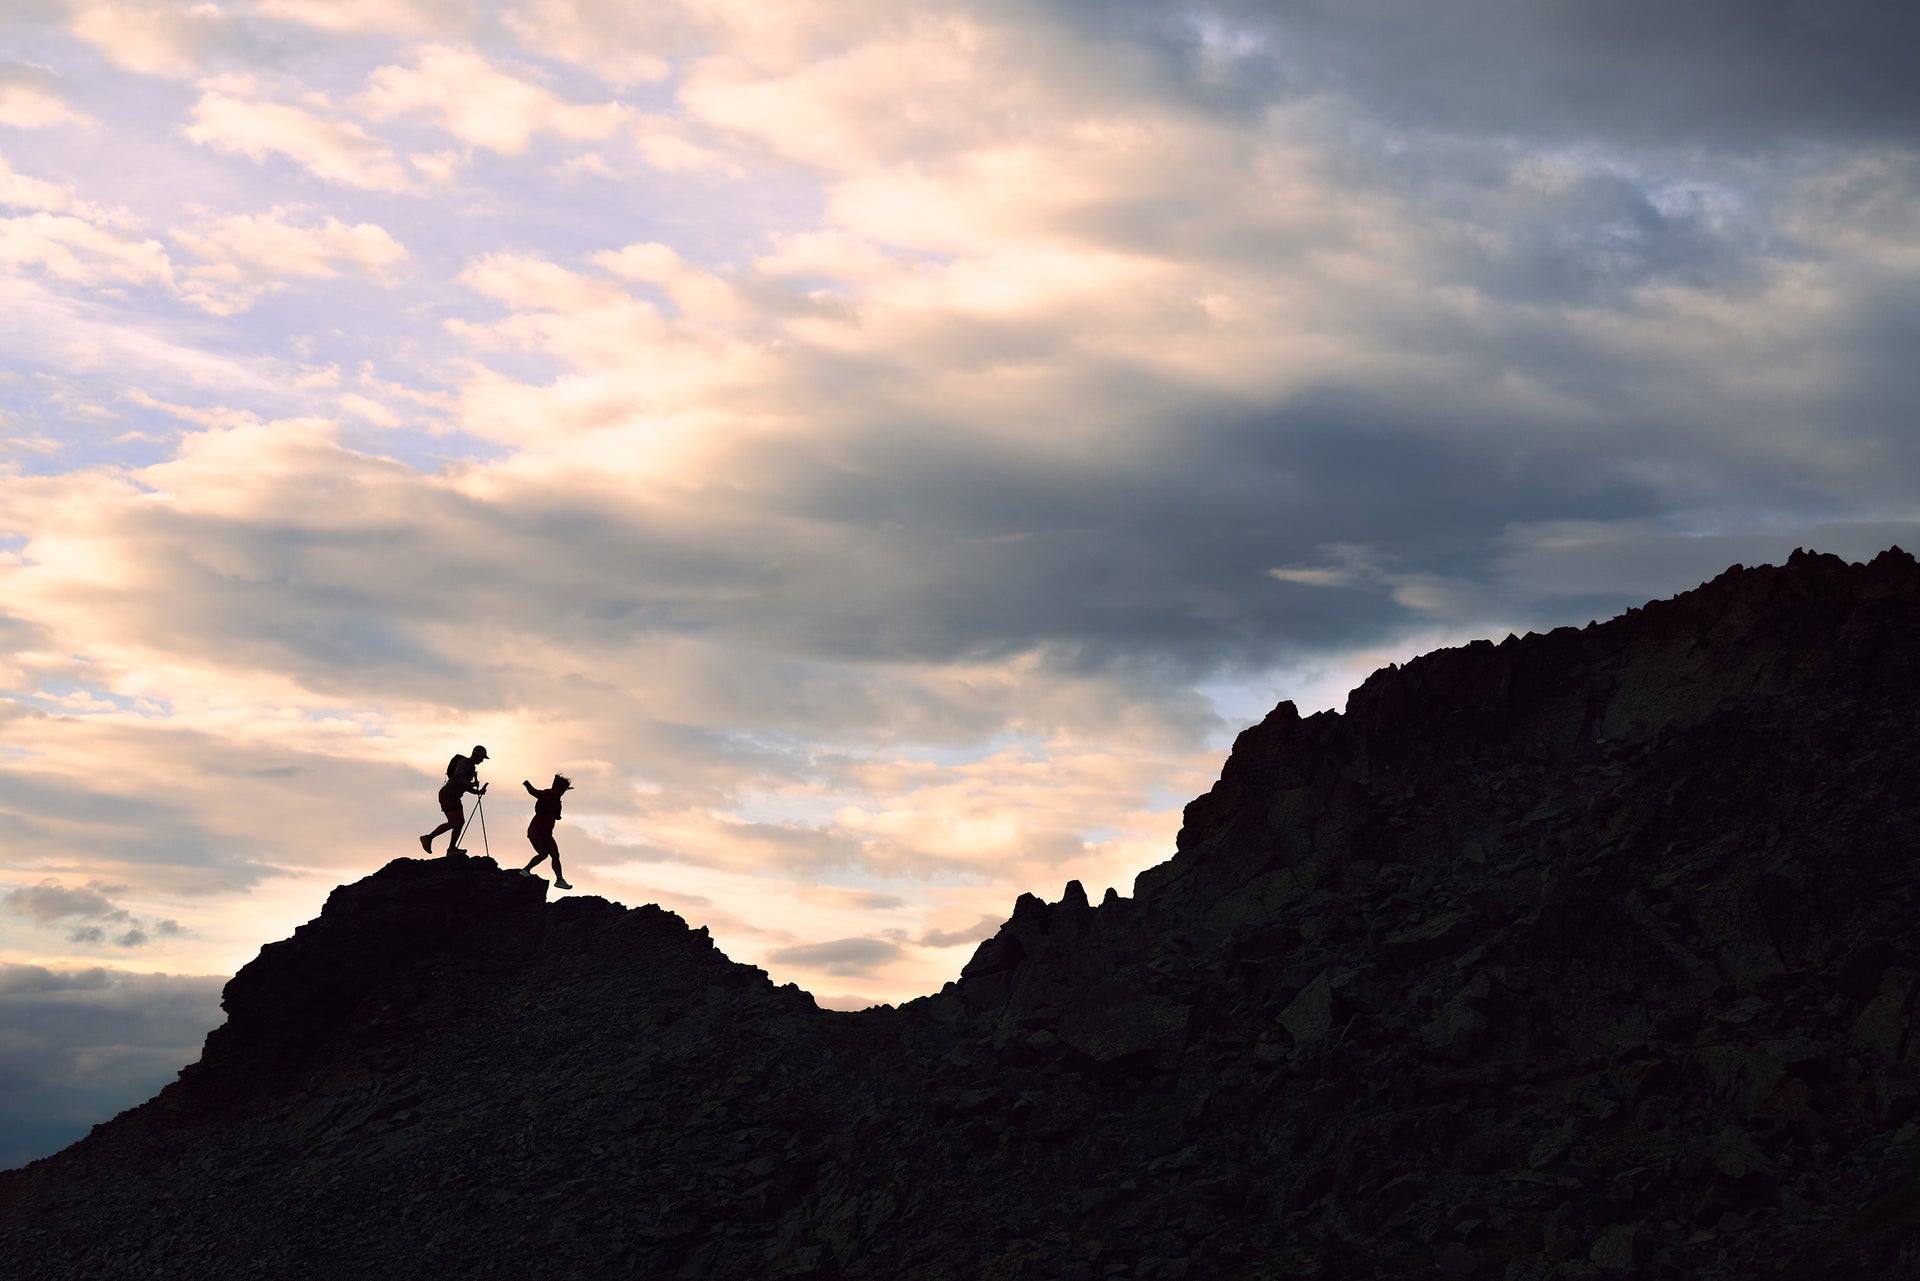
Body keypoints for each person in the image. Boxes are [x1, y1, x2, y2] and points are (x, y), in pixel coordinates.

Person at [421, 746, 489, 856]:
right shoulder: (465, 763)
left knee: (460, 822)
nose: (482, 761)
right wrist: (472, 784)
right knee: (454, 822)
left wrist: (478, 792)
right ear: (476, 755)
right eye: (482, 758)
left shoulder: (470, 766)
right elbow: (457, 777)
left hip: (453, 796)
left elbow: (464, 785)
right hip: (449, 794)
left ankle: (451, 848)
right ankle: (429, 838)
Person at [519, 774, 573, 890]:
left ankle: (559, 880)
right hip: (536, 829)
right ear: (557, 788)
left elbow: (557, 816)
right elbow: (534, 792)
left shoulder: (558, 802)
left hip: (547, 832)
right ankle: (526, 870)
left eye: (564, 791)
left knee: (555, 854)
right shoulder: (548, 794)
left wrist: (557, 814)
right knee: (543, 854)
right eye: (562, 790)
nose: (563, 792)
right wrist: (527, 783)